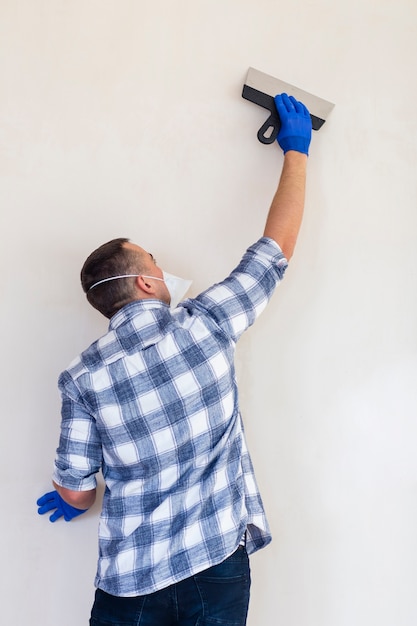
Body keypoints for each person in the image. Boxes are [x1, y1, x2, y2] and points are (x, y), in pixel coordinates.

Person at [37, 93, 312, 626]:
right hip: (215, 563)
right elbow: (275, 249)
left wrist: (72, 500)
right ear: (144, 280)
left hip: (128, 579)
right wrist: (296, 152)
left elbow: (75, 488)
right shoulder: (205, 323)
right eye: (155, 262)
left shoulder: (81, 378)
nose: (163, 270)